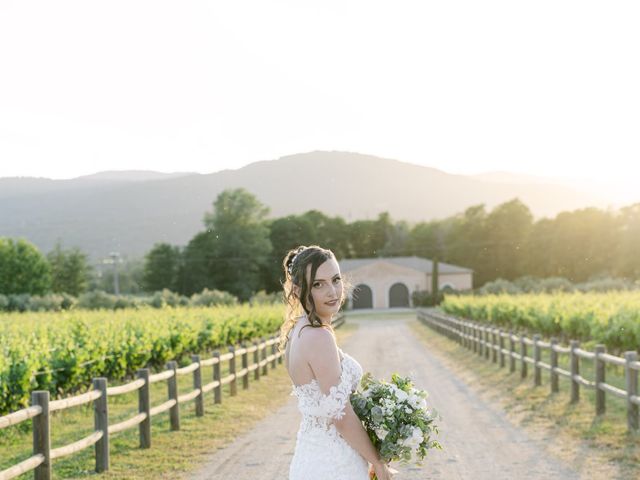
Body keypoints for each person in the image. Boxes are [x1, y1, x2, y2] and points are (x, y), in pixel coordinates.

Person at [279, 245, 394, 480]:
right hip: (333, 465)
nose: (333, 291)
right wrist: (378, 462)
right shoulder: (318, 336)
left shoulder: (297, 330)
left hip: (311, 456)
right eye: (318, 284)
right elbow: (340, 415)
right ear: (299, 290)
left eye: (335, 279)